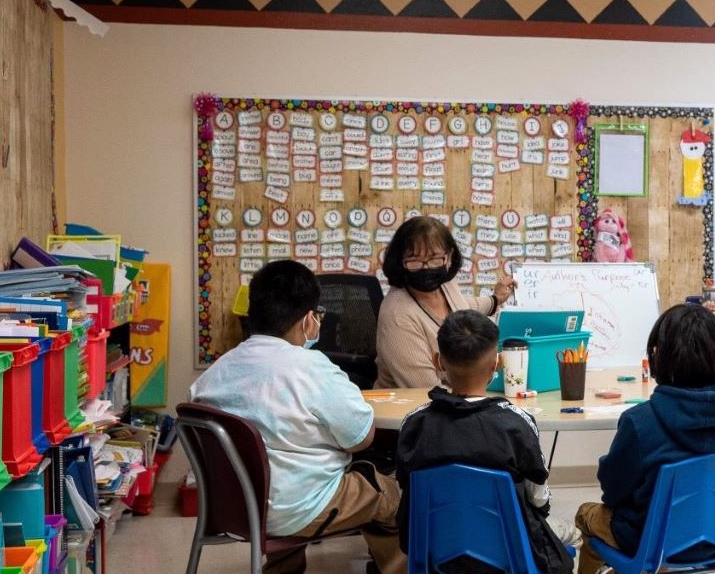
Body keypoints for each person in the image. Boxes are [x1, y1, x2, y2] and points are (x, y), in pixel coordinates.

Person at [191, 260, 406, 574]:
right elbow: (362, 439)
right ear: (309, 320)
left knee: (290, 475)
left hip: (233, 508)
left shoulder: (215, 373)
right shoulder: (312, 368)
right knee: (389, 496)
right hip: (299, 510)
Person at [395, 310, 573, 574]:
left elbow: (406, 493)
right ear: (497, 364)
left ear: (438, 361)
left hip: (435, 549)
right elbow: (539, 499)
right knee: (570, 533)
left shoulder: (414, 423)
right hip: (510, 549)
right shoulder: (517, 423)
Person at [575, 304, 715, 574]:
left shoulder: (640, 420)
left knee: (586, 514)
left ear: (658, 357)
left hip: (651, 542)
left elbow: (612, 491)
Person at [376, 216, 518, 389]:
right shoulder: (398, 315)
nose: (426, 268)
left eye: (435, 259)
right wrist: (479, 400)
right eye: (414, 261)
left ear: (449, 257)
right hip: (417, 410)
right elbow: (427, 390)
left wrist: (495, 299)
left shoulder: (445, 284)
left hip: (461, 398)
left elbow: (463, 307)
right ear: (399, 262)